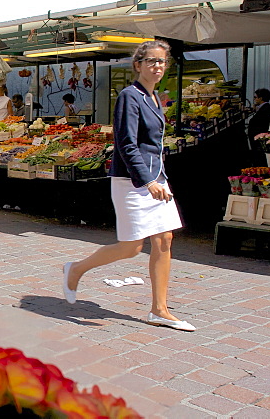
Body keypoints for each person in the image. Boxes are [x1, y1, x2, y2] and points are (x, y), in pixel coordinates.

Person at [63, 40, 195, 331]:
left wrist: (157, 177)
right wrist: (147, 181)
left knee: (164, 240)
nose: (157, 66)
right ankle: (76, 269)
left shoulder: (154, 97)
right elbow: (125, 144)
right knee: (132, 248)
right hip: (133, 181)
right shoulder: (129, 96)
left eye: (161, 61)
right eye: (151, 61)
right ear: (138, 65)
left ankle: (159, 309)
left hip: (156, 177)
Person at [247, 88, 270, 164]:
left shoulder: (265, 109)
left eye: (255, 97)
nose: (254, 99)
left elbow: (259, 122)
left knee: (259, 157)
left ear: (261, 98)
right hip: (257, 136)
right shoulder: (262, 108)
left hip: (259, 136)